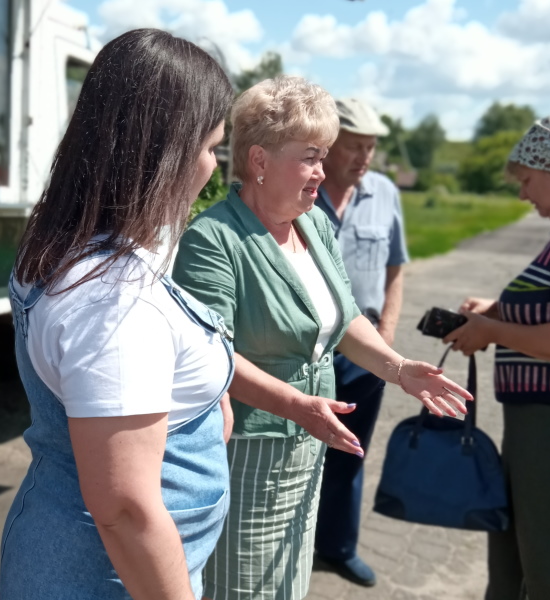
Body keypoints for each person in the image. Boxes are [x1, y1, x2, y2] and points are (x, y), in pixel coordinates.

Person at [172, 76, 472, 600]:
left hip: (309, 445)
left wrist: (399, 368)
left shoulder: (315, 226)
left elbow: (346, 318)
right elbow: (210, 358)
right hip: (249, 452)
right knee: (242, 588)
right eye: (311, 156)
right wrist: (295, 406)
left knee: (289, 583)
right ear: (259, 161)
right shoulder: (213, 239)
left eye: (325, 155)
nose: (323, 172)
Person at [0, 29, 235, 600]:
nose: (213, 170)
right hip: (106, 578)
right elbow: (127, 511)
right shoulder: (114, 302)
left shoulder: (72, 242)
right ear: (167, 152)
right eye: (209, 149)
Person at [445, 111, 550, 600]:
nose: (524, 194)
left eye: (527, 180)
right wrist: (497, 310)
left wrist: (490, 330)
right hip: (542, 423)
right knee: (520, 558)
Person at [312, 98, 408, 587]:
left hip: (366, 351)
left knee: (351, 452)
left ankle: (338, 547)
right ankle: (293, 543)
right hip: (308, 350)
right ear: (328, 147)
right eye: (354, 146)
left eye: (370, 147)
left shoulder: (385, 194)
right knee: (300, 453)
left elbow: (396, 268)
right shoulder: (300, 191)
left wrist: (388, 333)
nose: (364, 157)